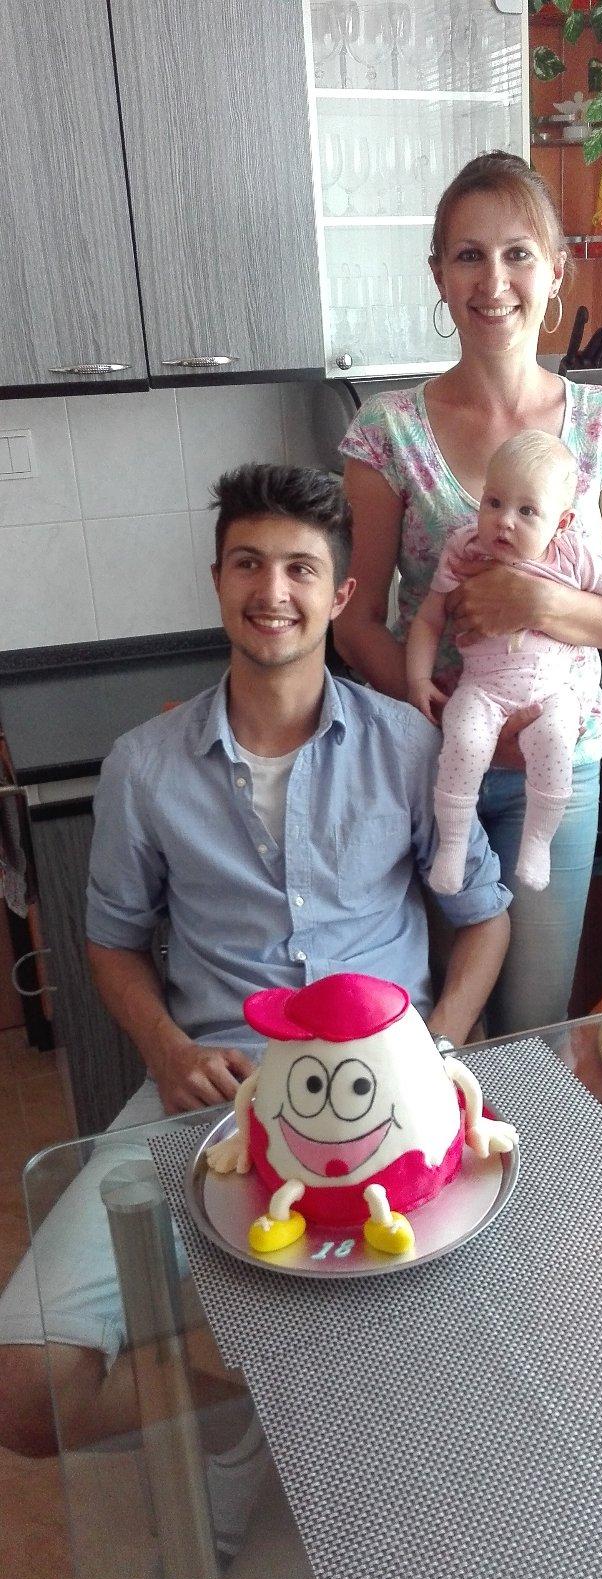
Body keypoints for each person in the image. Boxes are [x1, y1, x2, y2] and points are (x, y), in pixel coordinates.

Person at [0, 463, 510, 1459]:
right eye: (248, 563)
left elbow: (482, 917)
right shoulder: (144, 765)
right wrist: (165, 1048)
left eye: (298, 568)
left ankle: (338, 1432)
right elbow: (110, 941)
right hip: (216, 1094)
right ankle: (257, 1422)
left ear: (341, 593)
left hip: (393, 1094)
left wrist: (439, 1046)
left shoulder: (410, 746)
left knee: (483, 1344)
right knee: (25, 1390)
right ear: (217, 579)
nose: (272, 590)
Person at [335, 150, 602, 1034]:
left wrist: (536, 606)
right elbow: (357, 621)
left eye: (518, 253)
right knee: (434, 1026)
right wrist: (437, 714)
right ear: (438, 275)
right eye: (468, 256)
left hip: (559, 759)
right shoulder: (386, 431)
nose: (494, 281)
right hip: (429, 761)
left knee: (534, 1024)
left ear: (555, 270)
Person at [407, 429, 602, 893]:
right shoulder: (465, 548)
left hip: (552, 693)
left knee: (555, 741)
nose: (504, 522)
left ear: (562, 522)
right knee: (463, 741)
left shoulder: (572, 557)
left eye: (527, 511)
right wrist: (417, 679)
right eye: (493, 502)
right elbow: (429, 619)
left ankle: (537, 842)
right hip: (481, 688)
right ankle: (452, 846)